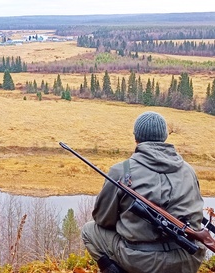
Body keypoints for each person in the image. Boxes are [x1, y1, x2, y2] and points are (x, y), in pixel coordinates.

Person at [81, 111, 206, 273]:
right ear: (165, 137)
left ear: (136, 138)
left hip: (143, 262)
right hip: (188, 259)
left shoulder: (123, 170)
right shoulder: (189, 170)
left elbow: (103, 220)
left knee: (89, 231)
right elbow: (196, 216)